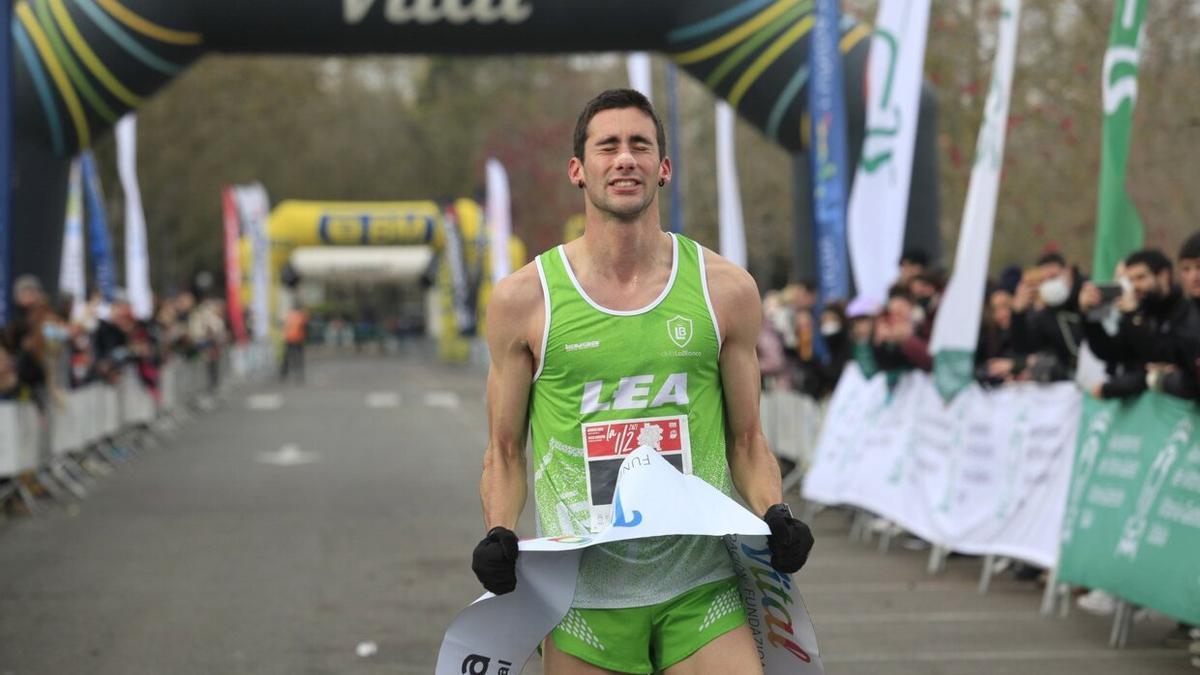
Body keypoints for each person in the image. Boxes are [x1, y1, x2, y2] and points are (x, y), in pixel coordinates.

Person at [472, 89, 814, 675]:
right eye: (608, 146)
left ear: (664, 167)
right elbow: (505, 450)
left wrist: (776, 513)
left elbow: (748, 441)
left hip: (702, 587)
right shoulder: (524, 299)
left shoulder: (725, 289)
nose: (624, 158)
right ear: (579, 170)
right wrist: (499, 533)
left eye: (640, 145)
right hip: (582, 599)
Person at [279, 304, 309, 383]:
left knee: (287, 356)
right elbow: (306, 325)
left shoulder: (288, 315)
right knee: (299, 357)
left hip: (289, 338)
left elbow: (282, 325)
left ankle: (283, 372)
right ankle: (299, 374)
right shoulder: (301, 315)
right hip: (299, 338)